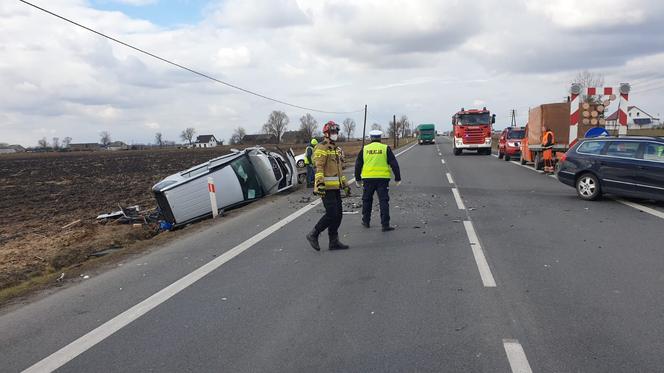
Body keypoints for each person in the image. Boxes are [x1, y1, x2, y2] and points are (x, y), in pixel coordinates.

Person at [306, 121, 351, 251]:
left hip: (335, 187)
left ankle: (333, 241)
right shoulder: (322, 147)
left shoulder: (335, 149)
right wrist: (319, 184)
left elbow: (339, 170)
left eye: (336, 132)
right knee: (331, 214)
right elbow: (318, 167)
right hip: (325, 187)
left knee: (338, 215)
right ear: (326, 133)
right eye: (332, 132)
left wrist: (345, 184)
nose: (335, 134)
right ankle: (313, 234)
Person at [354, 130, 401, 232]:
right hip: (382, 179)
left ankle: (366, 221)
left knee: (367, 200)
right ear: (380, 138)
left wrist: (357, 178)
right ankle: (385, 225)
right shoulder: (385, 148)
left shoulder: (365, 149)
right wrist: (397, 177)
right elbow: (394, 164)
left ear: (371, 138)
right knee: (383, 201)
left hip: (368, 179)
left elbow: (358, 164)